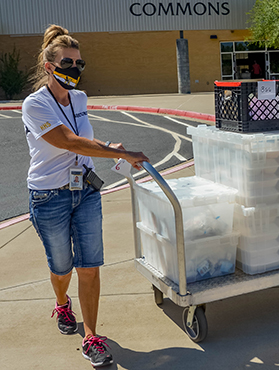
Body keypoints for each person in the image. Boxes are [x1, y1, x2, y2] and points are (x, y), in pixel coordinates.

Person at [22, 24, 149, 367]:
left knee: (89, 268)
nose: (75, 70)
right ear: (50, 66)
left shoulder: (79, 98)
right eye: (67, 63)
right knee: (62, 268)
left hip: (87, 192)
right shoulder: (34, 105)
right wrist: (116, 151)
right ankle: (62, 303)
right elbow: (67, 141)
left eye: (79, 64)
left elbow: (81, 140)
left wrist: (106, 154)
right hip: (49, 196)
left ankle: (91, 336)